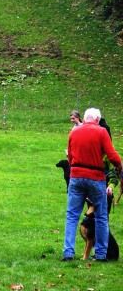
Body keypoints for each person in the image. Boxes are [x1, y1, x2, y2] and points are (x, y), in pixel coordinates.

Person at [62, 107, 122, 261]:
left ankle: (68, 252)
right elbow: (111, 154)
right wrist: (119, 166)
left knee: (72, 215)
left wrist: (74, 168)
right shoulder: (101, 132)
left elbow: (70, 155)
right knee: (101, 216)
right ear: (97, 119)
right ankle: (101, 254)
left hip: (76, 177)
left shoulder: (74, 132)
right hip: (95, 177)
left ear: (86, 118)